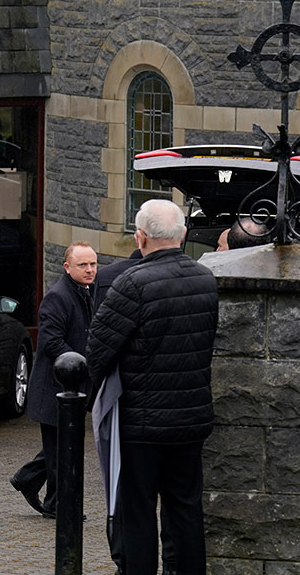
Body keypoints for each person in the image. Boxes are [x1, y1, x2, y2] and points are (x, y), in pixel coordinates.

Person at [87, 199, 218, 575]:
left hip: (141, 424)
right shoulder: (205, 279)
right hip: (191, 419)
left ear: (140, 237)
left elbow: (97, 350)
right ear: (184, 235)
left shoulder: (132, 284)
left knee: (139, 512)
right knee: (186, 509)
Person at [11, 241, 97, 518]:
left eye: (93, 264)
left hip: (72, 387)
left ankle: (29, 480)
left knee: (62, 446)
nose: (90, 269)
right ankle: (57, 504)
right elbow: (50, 341)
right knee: (61, 450)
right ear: (67, 267)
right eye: (83, 265)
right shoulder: (58, 296)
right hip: (55, 387)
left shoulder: (86, 292)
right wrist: (78, 364)